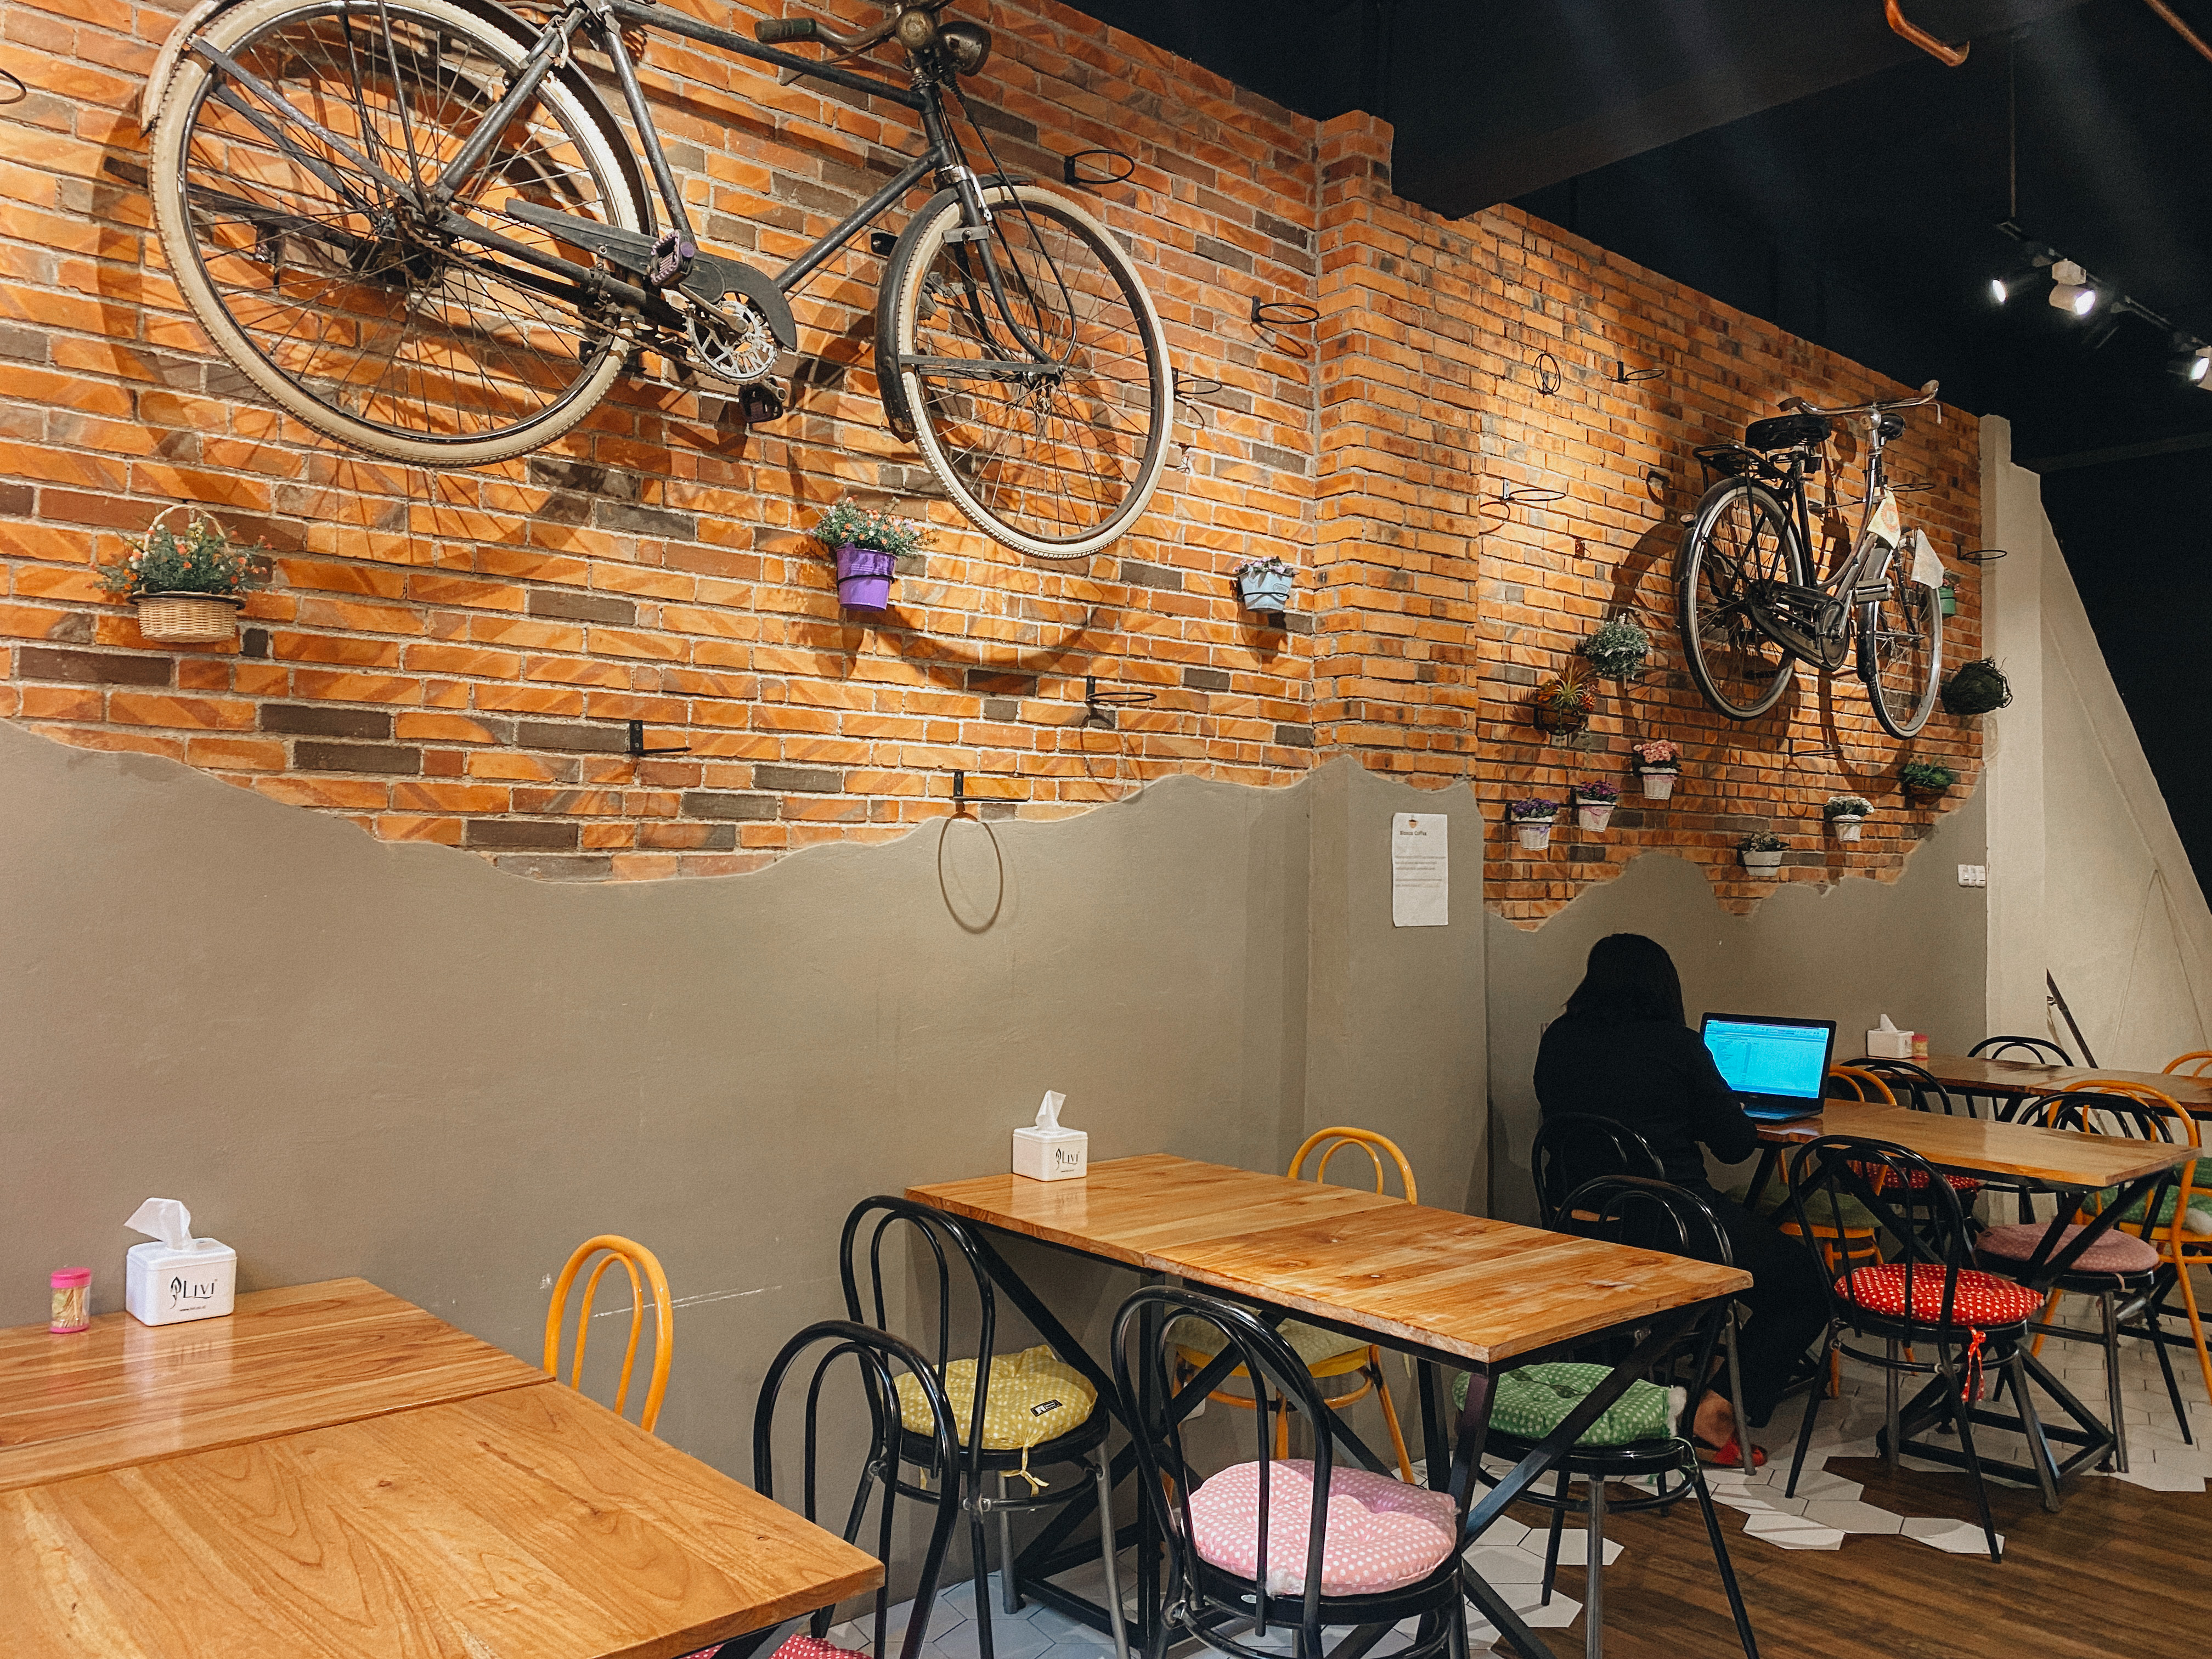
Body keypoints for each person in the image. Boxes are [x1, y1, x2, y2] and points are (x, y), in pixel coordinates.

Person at [1533, 932, 1827, 1464]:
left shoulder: (1558, 1038)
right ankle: (1715, 1411)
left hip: (1579, 1219)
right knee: (1807, 1286)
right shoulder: (1677, 1045)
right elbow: (1735, 1146)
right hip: (1673, 1225)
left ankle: (1635, 1394)